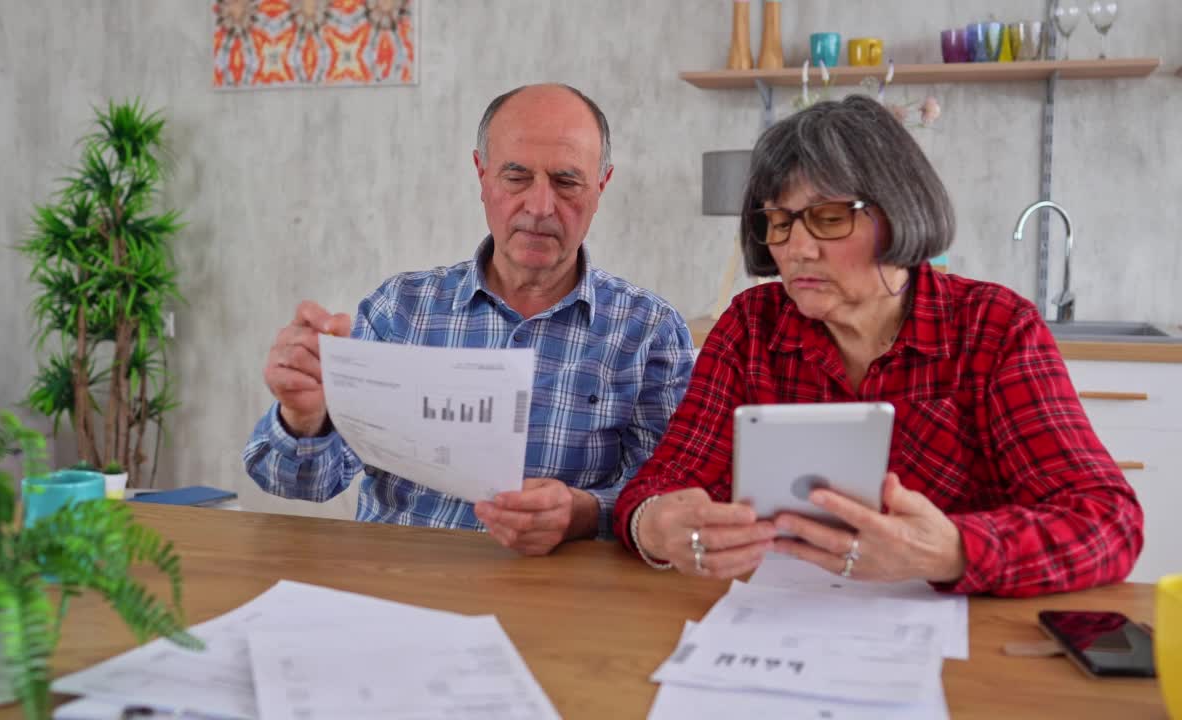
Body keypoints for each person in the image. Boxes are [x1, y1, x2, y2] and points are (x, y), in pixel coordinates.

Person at [614, 95, 1143, 597]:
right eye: (778, 222)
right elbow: (659, 484)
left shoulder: (995, 328)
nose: (797, 249)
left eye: (829, 217)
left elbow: (1108, 522)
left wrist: (952, 551)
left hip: (961, 640)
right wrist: (652, 527)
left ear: (899, 211)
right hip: (779, 619)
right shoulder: (752, 327)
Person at [245, 84, 694, 555]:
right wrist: (305, 418)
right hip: (398, 588)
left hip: (555, 600)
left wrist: (582, 513)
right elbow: (296, 483)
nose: (540, 207)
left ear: (601, 186)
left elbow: (668, 499)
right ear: (482, 176)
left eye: (566, 182)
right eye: (516, 177)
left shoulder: (649, 332)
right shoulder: (399, 310)